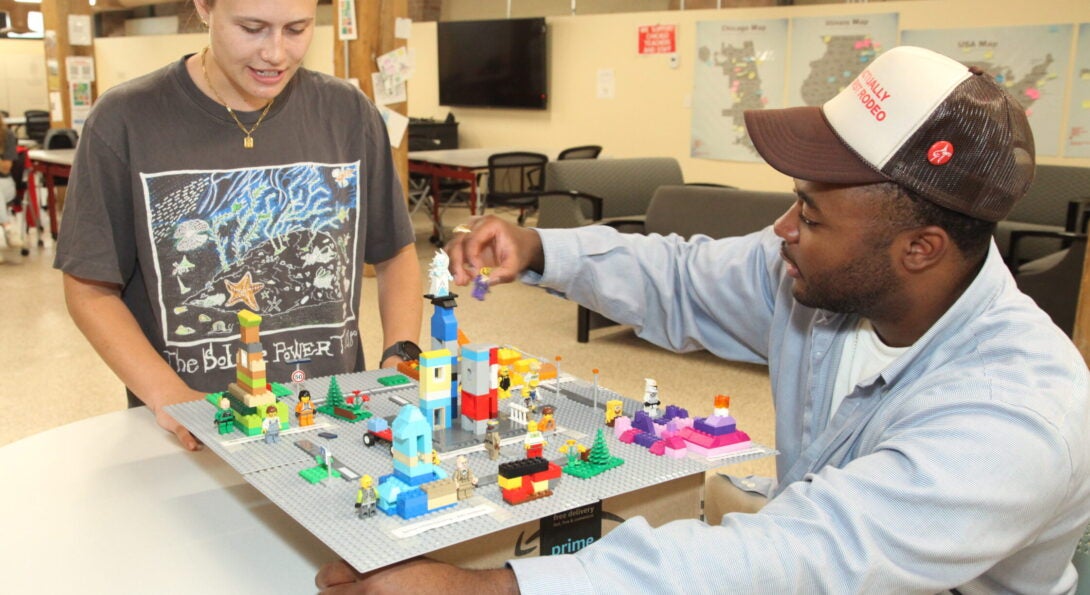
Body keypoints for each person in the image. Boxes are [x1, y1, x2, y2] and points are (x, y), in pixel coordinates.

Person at [316, 47, 1090, 593]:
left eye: (812, 215)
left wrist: (493, 589)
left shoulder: (1019, 412)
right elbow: (683, 277)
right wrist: (541, 246)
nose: (784, 230)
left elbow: (809, 556)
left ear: (919, 248)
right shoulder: (823, 277)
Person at [53, 0, 421, 451]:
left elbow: (395, 251)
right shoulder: (126, 119)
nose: (276, 53)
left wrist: (398, 355)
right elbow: (89, 288)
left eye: (297, 29)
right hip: (189, 431)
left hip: (332, 417)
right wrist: (172, 399)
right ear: (204, 8)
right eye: (252, 28)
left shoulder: (347, 112)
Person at [0, 111, 24, 258]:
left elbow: (5, 168)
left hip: (4, 182)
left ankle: (7, 226)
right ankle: (7, 226)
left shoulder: (6, 135)